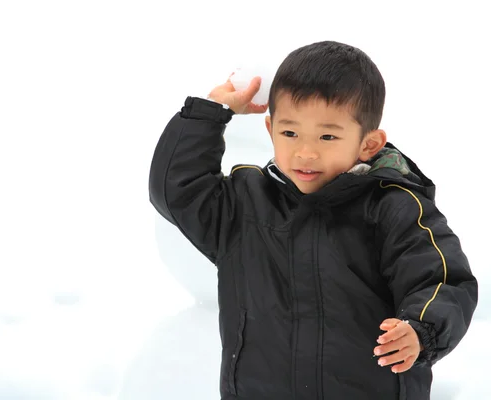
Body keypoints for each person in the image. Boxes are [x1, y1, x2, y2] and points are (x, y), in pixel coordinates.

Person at [148, 40, 478, 399]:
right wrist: (210, 113)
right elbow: (177, 190)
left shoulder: (393, 206)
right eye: (290, 133)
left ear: (368, 144)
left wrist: (421, 330)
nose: (306, 152)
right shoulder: (245, 205)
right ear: (271, 129)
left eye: (327, 136)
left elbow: (443, 281)